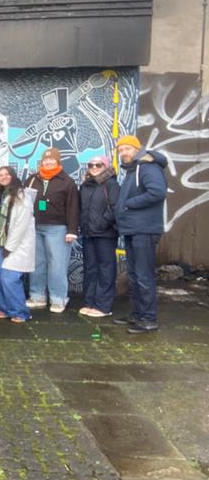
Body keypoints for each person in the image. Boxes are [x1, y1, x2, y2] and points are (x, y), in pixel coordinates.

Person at [111, 135, 168, 333]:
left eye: (127, 149)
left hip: (144, 229)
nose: (123, 153)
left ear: (137, 149)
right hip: (132, 229)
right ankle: (137, 314)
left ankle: (148, 319)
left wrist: (128, 204)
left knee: (143, 275)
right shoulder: (132, 169)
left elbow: (157, 193)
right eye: (120, 150)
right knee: (135, 275)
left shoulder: (148, 168)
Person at [25, 147, 79, 313]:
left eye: (51, 160)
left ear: (58, 162)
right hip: (35, 227)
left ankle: (58, 298)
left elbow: (73, 207)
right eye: (45, 160)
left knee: (57, 264)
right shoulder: (32, 179)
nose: (48, 162)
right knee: (37, 264)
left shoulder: (67, 181)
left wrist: (72, 230)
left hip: (58, 228)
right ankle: (37, 295)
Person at [0, 166, 36, 323]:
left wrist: (10, 247)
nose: (3, 177)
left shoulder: (22, 196)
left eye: (6, 174)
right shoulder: (1, 196)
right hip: (2, 243)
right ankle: (5, 308)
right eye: (0, 175)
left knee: (9, 279)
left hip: (16, 245)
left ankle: (21, 312)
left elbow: (20, 226)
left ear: (13, 176)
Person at [78, 155, 120, 318]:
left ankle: (103, 306)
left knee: (105, 269)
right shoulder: (86, 186)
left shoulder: (111, 184)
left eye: (98, 165)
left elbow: (115, 208)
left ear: (106, 166)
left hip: (105, 235)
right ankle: (89, 302)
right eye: (91, 165)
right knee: (90, 269)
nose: (94, 167)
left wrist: (101, 224)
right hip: (89, 234)